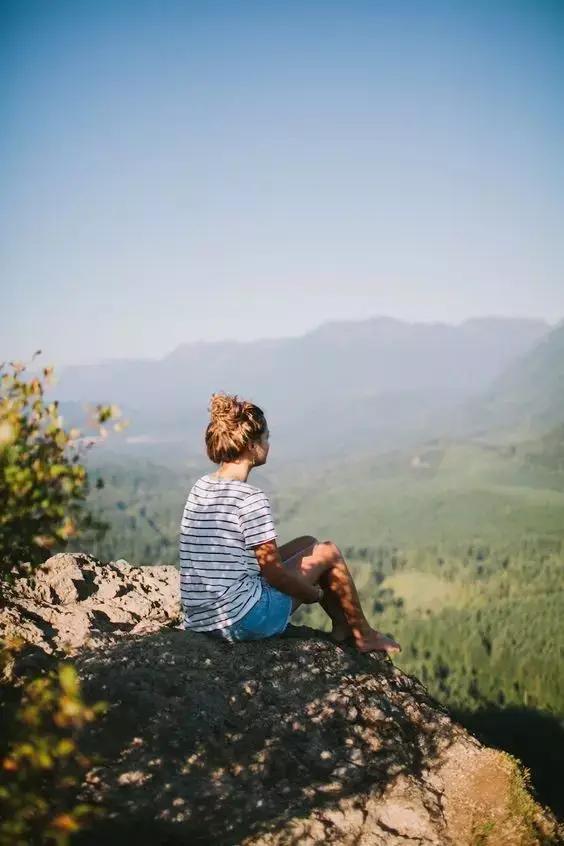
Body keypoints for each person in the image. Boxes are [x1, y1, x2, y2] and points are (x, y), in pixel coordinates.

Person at [179, 391, 401, 654]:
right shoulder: (250, 498)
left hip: (201, 621)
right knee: (327, 551)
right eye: (266, 438)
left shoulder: (202, 485)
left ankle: (342, 625)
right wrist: (312, 594)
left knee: (308, 543)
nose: (269, 444)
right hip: (242, 620)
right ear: (252, 446)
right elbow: (274, 573)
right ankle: (364, 635)